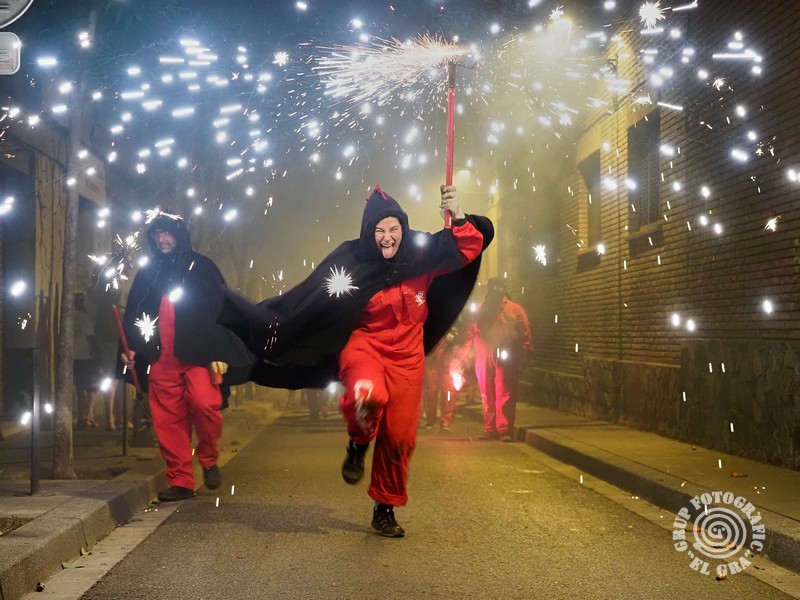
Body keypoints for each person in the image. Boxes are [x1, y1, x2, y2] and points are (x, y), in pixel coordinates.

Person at [219, 184, 494, 538]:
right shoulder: (351, 260)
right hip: (365, 348)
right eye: (379, 230)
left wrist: (457, 215)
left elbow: (469, 245)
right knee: (368, 396)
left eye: (394, 228)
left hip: (408, 357)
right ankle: (358, 442)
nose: (387, 237)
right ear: (368, 232)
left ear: (404, 228)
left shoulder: (421, 253)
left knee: (399, 437)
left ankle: (385, 507)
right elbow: (309, 300)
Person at [119, 211, 254, 502]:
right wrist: (131, 346)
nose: (162, 240)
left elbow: (219, 309)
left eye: (167, 234)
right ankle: (180, 480)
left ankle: (208, 457)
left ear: (179, 235)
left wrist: (219, 351)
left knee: (206, 406)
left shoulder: (202, 267)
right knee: (168, 422)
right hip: (160, 360)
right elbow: (136, 312)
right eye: (157, 235)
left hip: (199, 357)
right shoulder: (148, 272)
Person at [464, 277, 532, 442]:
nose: (496, 291)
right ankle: (491, 428)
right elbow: (470, 332)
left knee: (505, 391)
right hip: (484, 353)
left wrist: (526, 350)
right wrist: (465, 355)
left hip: (506, 353)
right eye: (493, 288)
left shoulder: (514, 309)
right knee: (486, 392)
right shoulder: (479, 309)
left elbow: (525, 331)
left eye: (499, 288)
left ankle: (505, 429)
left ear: (503, 289)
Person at [73, 292, 100, 429]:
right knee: (92, 388)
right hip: (88, 356)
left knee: (80, 388)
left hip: (75, 356)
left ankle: (80, 418)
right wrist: (97, 353)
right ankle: (89, 417)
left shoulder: (69, 318)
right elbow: (90, 337)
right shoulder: (87, 318)